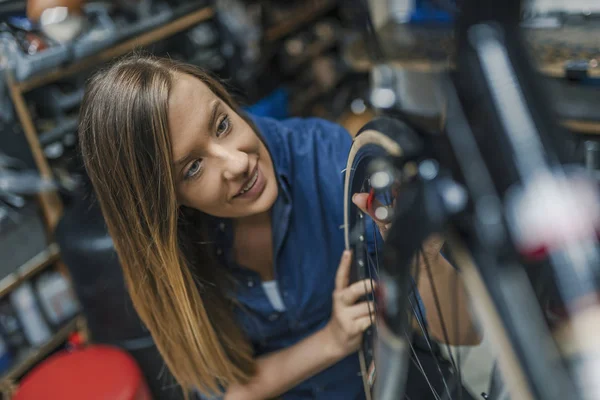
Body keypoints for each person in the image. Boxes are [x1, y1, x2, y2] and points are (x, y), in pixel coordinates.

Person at [78, 53, 480, 400]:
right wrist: (331, 341)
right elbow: (225, 391)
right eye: (193, 168)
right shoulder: (168, 251)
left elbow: (466, 332)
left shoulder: (330, 162)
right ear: (165, 203)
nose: (237, 163)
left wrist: (421, 251)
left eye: (221, 124)